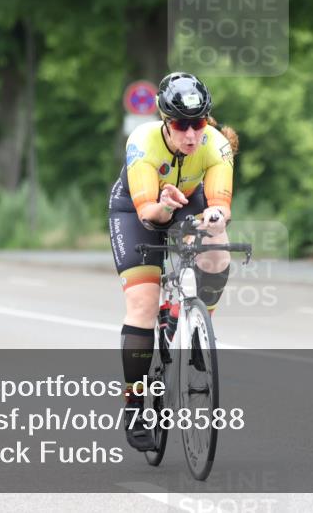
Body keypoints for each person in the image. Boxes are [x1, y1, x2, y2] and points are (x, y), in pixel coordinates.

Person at [108, 72, 238, 452]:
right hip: (138, 212)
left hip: (189, 203)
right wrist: (164, 205)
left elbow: (219, 204)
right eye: (181, 125)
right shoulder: (142, 143)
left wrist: (215, 217)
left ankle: (200, 323)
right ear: (165, 122)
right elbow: (149, 211)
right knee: (143, 305)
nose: (191, 135)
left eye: (198, 124)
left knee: (218, 242)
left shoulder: (215, 146)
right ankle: (133, 406)